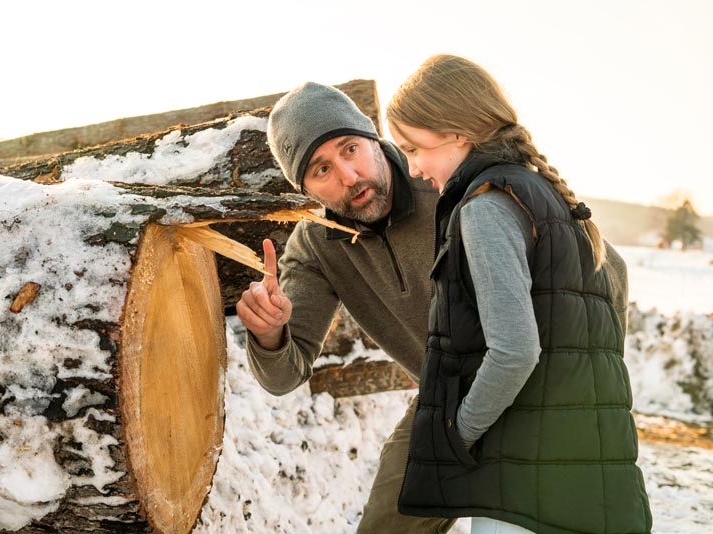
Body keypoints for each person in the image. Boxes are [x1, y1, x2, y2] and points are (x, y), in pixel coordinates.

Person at [386, 54, 652, 534]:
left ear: (458, 131)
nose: (413, 167)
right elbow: (614, 268)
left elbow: (514, 353)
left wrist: (458, 436)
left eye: (414, 148)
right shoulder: (545, 197)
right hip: (580, 469)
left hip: (520, 482)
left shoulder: (486, 207)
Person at [236, 81, 454, 533]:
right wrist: (269, 332)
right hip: (445, 402)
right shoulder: (317, 246)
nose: (348, 176)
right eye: (321, 169)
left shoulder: (444, 181)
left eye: (350, 149)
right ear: (306, 188)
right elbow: (284, 375)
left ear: (373, 137)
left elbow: (595, 260)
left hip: (531, 380)